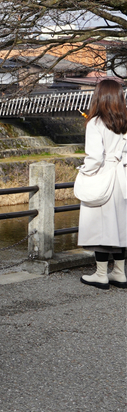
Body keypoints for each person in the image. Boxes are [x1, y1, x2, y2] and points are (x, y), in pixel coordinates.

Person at [77, 78, 127, 289]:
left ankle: (100, 274)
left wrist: (84, 172)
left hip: (104, 176)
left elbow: (95, 157)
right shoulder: (125, 121)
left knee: (101, 226)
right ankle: (119, 272)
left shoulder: (96, 122)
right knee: (120, 226)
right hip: (123, 177)